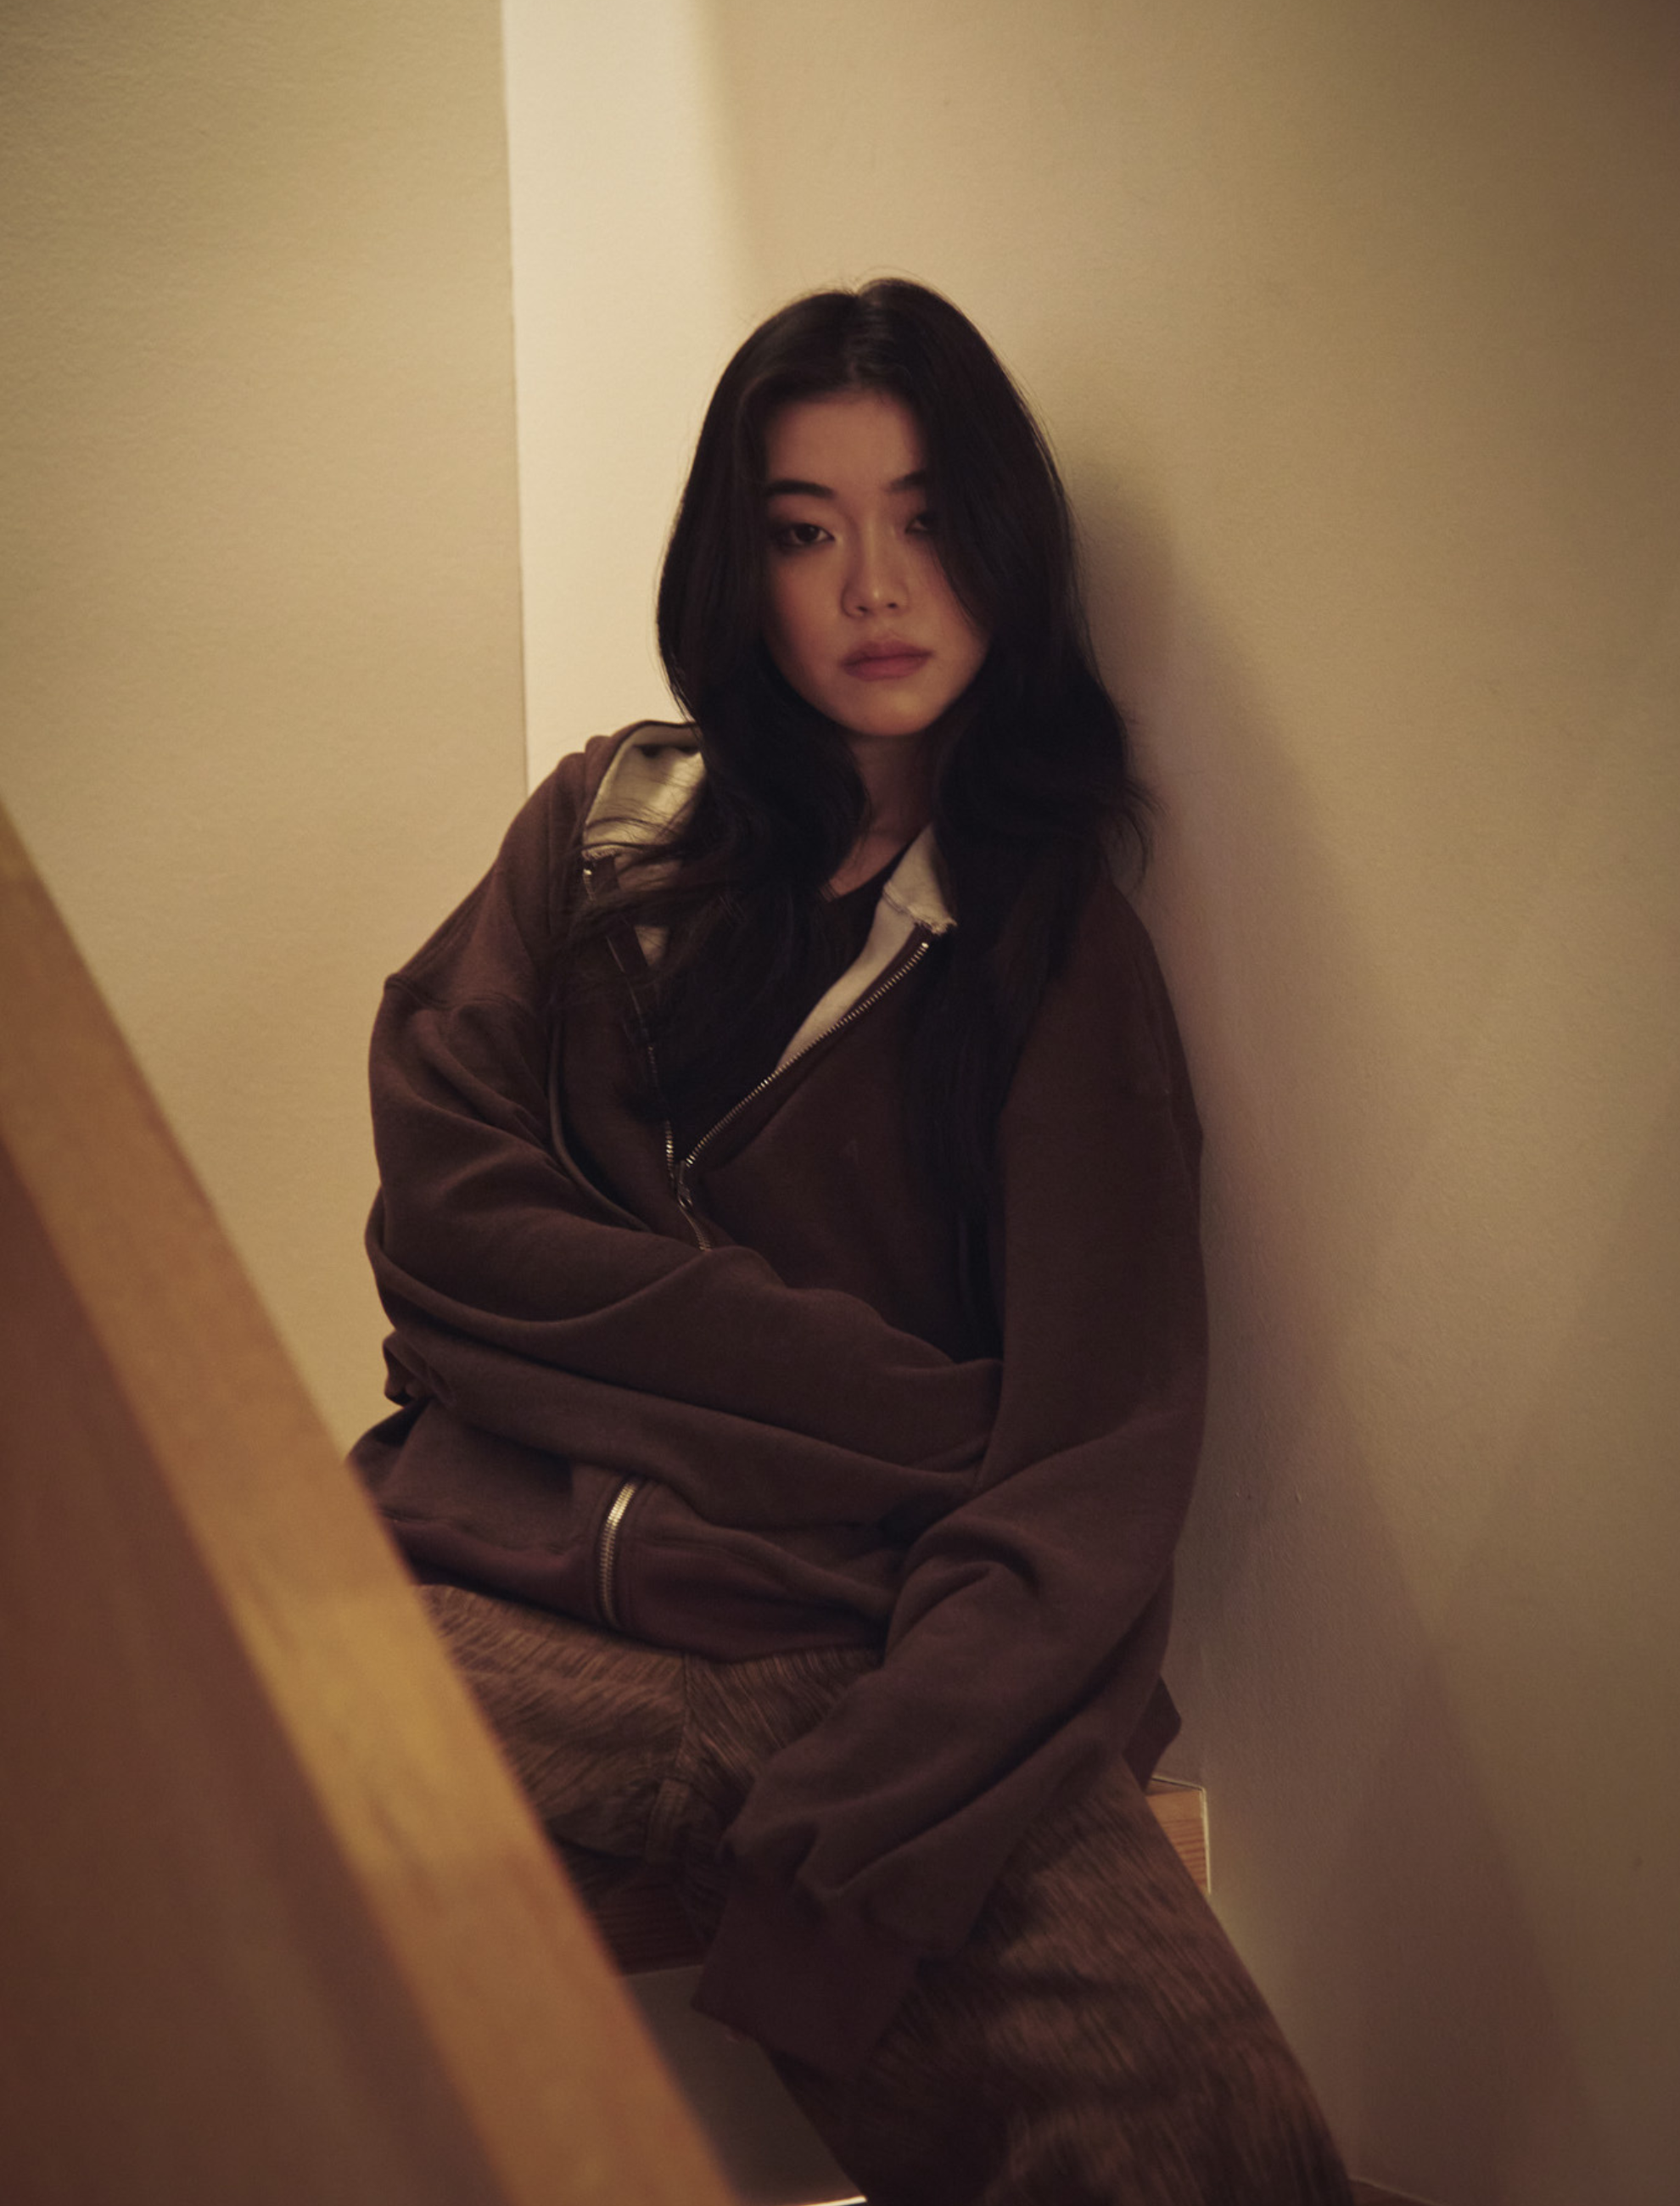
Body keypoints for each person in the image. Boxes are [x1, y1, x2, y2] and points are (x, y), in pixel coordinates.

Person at [352, 279, 1352, 2204]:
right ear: (740, 569)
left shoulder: (1054, 956)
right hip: (484, 1597)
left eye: (924, 521)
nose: (872, 589)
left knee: (1222, 2140)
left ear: (1006, 547)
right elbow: (451, 1231)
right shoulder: (600, 832)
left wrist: (883, 1790)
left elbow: (1087, 1456)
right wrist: (904, 1421)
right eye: (805, 532)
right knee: (161, 1922)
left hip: (846, 1653)